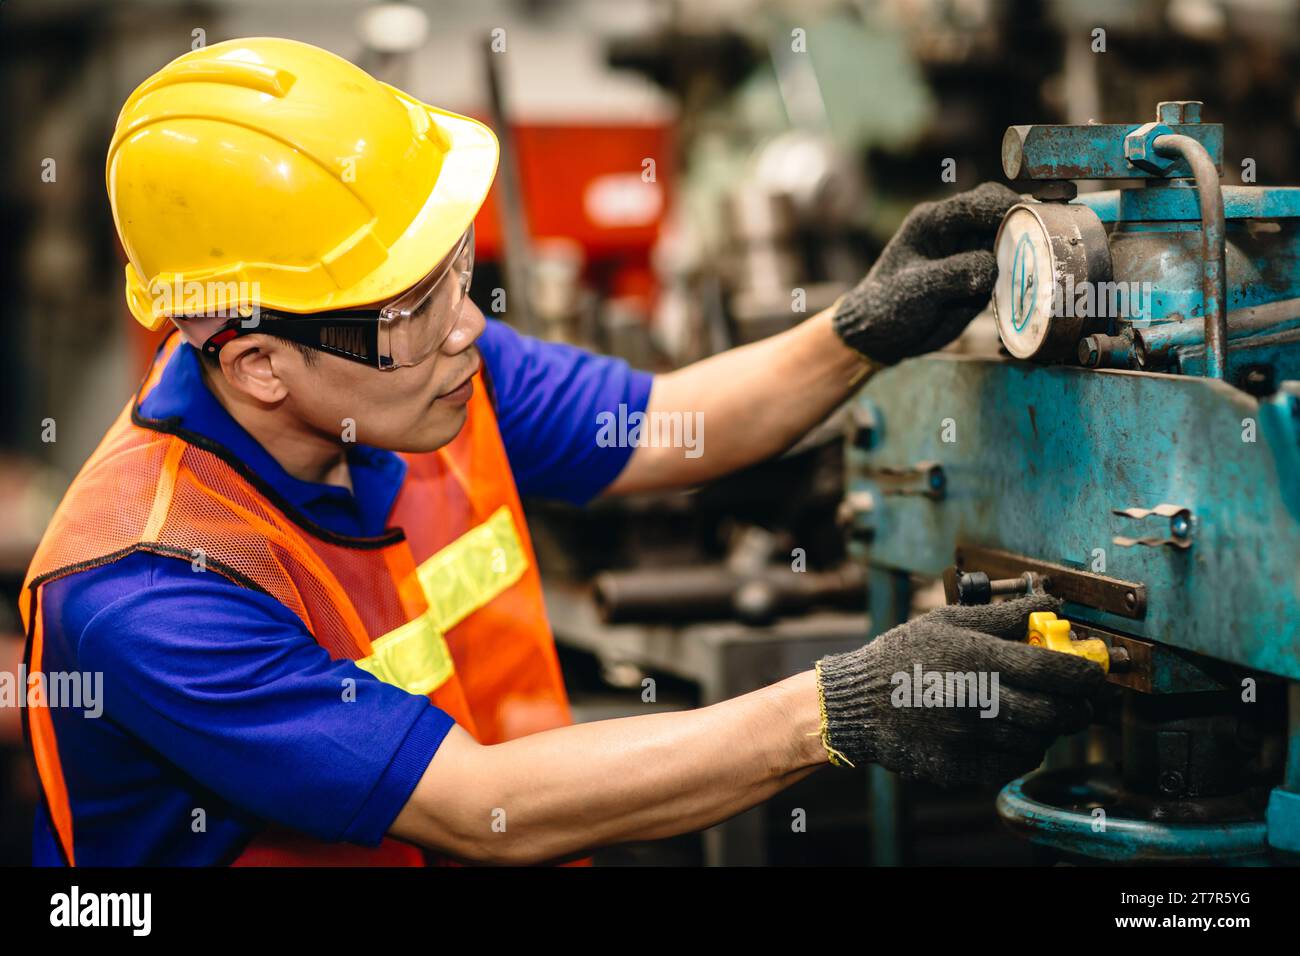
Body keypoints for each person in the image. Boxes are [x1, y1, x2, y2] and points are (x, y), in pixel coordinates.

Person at [21, 37, 1102, 866]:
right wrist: (841, 707)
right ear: (259, 362)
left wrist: (859, 328)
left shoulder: (431, 370)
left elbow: (671, 421)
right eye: (411, 301)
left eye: (455, 268)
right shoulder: (146, 592)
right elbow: (476, 806)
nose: (464, 321)